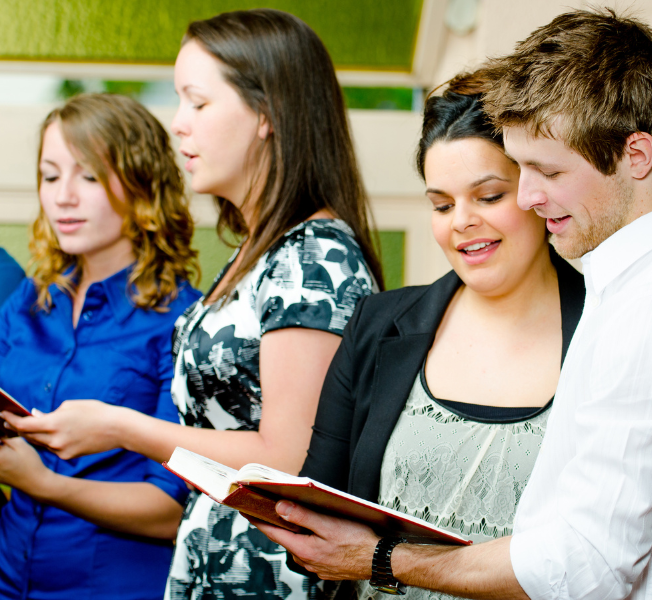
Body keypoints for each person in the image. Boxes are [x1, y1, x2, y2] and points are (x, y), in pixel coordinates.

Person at [251, 9, 652, 600]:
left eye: (540, 173)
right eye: (440, 204)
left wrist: (382, 558)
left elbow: (582, 566)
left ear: (636, 154)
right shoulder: (634, 286)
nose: (532, 196)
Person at [6, 9, 383, 600]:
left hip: (266, 577)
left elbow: (285, 458)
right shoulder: (258, 256)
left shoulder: (314, 258)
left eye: (197, 103)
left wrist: (119, 426)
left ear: (267, 113)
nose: (178, 126)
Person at [282, 70, 585, 600]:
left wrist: (378, 558)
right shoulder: (377, 325)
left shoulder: (608, 326)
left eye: (488, 196)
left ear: (537, 194)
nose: (461, 222)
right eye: (441, 205)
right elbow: (318, 515)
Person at [0, 93, 201, 600]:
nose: (63, 196)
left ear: (143, 187)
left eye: (88, 176)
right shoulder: (32, 299)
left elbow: (170, 511)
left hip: (112, 586)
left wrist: (44, 483)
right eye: (50, 176)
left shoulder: (183, 321)